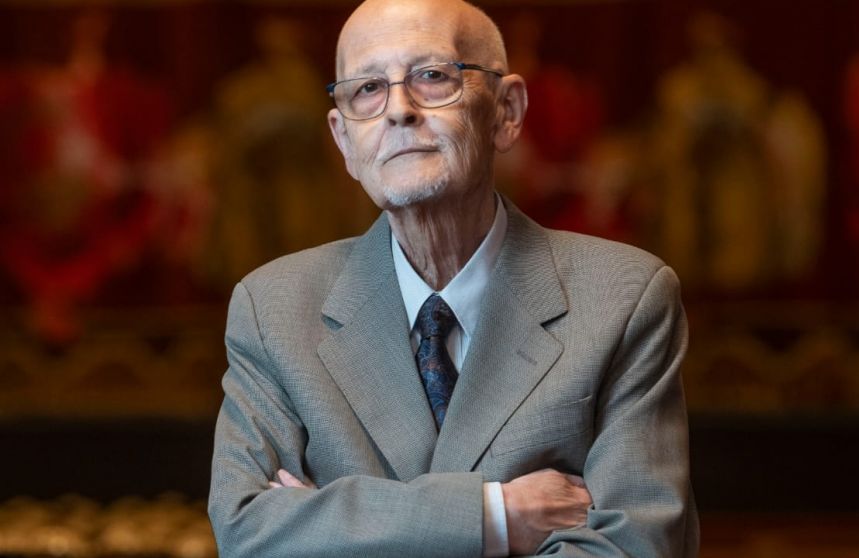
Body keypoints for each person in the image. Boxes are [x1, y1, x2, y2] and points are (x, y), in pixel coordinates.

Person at [207, 0, 698, 555]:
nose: (398, 110)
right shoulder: (273, 308)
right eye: (368, 88)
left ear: (506, 112)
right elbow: (250, 533)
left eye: (432, 77)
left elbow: (635, 548)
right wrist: (496, 517)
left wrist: (335, 527)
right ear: (344, 140)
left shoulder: (625, 299)